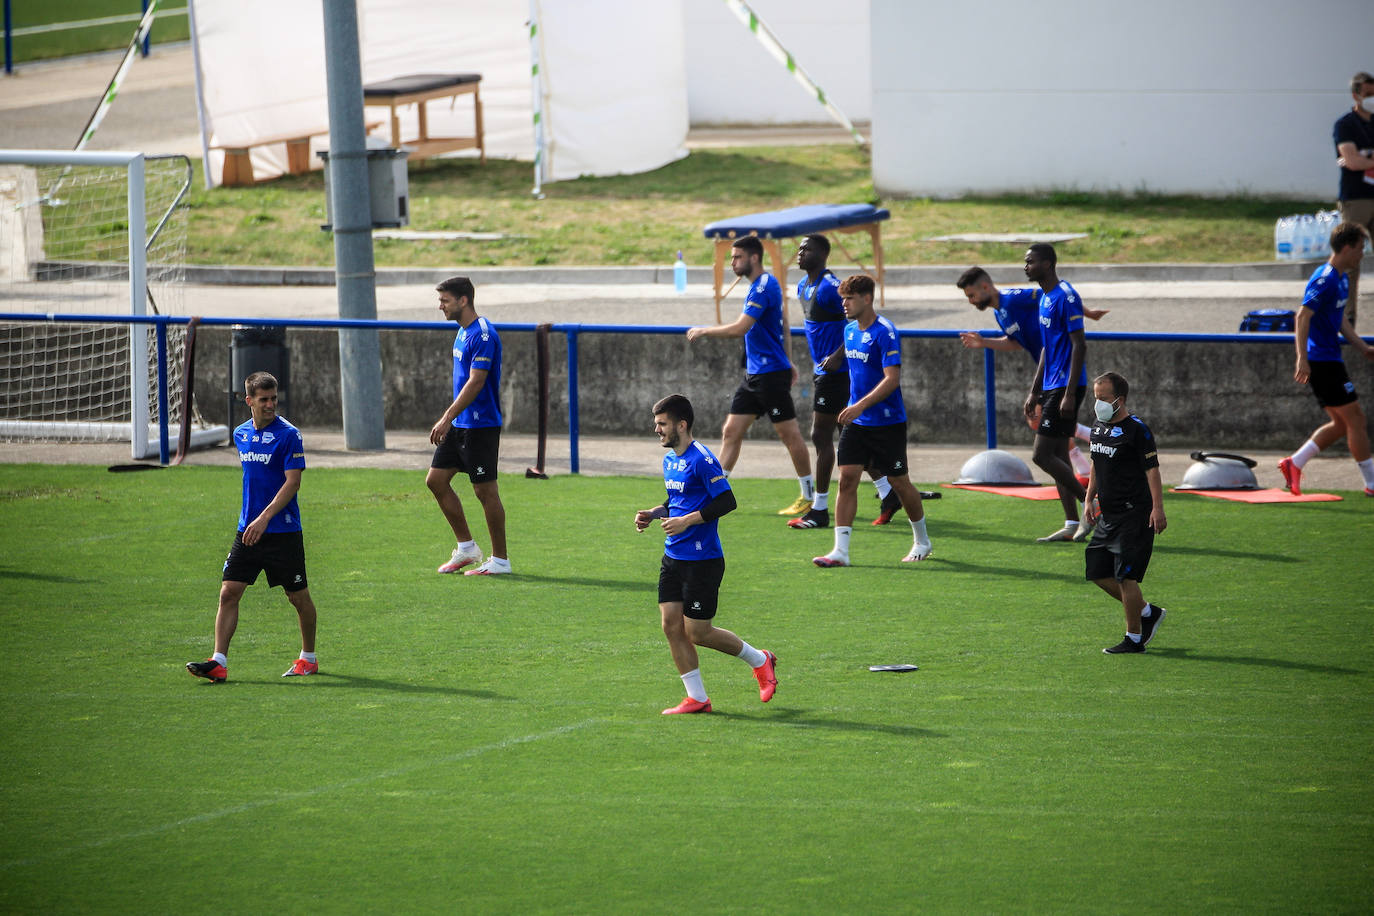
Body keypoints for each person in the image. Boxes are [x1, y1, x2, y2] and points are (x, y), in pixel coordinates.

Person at [634, 394, 778, 715]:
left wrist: (686, 521)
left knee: (698, 633)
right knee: (671, 626)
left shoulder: (702, 459)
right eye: (656, 423)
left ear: (681, 425)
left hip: (703, 561)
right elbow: (677, 500)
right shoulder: (670, 460)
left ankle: (760, 659)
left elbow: (726, 501)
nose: (656, 429)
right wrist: (655, 512)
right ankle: (697, 698)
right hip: (673, 558)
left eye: (662, 424)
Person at [187, 372, 318, 682]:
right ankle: (219, 661)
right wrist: (253, 520)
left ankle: (308, 658)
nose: (271, 404)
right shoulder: (241, 434)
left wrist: (264, 518)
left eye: (274, 398)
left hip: (282, 532)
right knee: (228, 592)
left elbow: (293, 483)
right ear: (249, 401)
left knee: (297, 597)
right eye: (264, 399)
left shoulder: (289, 435)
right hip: (247, 530)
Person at [687, 236, 815, 518]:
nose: (732, 263)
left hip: (770, 376)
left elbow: (741, 328)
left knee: (789, 435)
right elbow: (783, 326)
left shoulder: (763, 286)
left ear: (754, 258)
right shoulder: (762, 286)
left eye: (737, 258)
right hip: (756, 375)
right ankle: (715, 493)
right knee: (731, 431)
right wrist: (789, 359)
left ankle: (810, 496)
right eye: (732, 258)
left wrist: (705, 330)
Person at [813, 275, 933, 568]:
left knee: (899, 482)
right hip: (858, 423)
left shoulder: (886, 332)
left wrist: (859, 405)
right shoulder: (850, 331)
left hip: (887, 423)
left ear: (867, 299)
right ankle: (840, 551)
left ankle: (922, 541)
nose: (844, 304)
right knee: (847, 479)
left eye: (849, 298)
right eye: (842, 298)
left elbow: (892, 380)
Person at [788, 234, 902, 530]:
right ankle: (889, 493)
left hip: (836, 374)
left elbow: (857, 320)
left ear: (823, 255)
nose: (800, 253)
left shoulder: (828, 288)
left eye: (807, 249)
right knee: (852, 440)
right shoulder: (803, 286)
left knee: (820, 436)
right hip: (823, 370)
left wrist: (839, 355)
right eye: (799, 248)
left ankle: (820, 509)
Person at [956, 265, 1109, 479]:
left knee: (1043, 442)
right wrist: (983, 342)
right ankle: (1082, 474)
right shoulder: (1000, 314)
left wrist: (1088, 313)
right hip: (1048, 374)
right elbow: (1016, 343)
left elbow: (1058, 297)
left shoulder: (1014, 298)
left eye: (971, 295)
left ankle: (1085, 481)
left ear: (984, 286)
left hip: (1059, 370)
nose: (971, 301)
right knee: (1045, 430)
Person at [1278, 222, 1374, 497]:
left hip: (1331, 358)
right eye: (1359, 249)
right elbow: (1303, 315)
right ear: (1346, 248)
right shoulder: (1326, 278)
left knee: (1342, 424)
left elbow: (1339, 317)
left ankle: (1294, 463)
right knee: (1356, 419)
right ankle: (1372, 483)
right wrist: (1302, 359)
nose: (1362, 255)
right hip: (1321, 361)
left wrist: (1361, 346)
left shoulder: (1342, 278)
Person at [426, 276, 510, 575]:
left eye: (445, 301)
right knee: (435, 481)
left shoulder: (483, 335)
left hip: (481, 426)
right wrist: (452, 419)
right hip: (460, 424)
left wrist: (446, 416)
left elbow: (476, 382)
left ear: (463, 300)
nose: (440, 306)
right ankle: (466, 548)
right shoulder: (463, 332)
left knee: (485, 492)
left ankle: (500, 560)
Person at [1082, 371, 1167, 654]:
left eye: (1103, 399)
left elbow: (1152, 471)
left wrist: (1157, 508)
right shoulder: (1098, 426)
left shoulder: (1137, 430)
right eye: (1096, 398)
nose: (1098, 404)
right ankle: (1146, 612)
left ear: (1120, 399)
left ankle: (1134, 639)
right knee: (1096, 571)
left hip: (1135, 514)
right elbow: (1096, 462)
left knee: (1125, 577)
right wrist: (1088, 497)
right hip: (1109, 514)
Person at [1021, 243, 1091, 543]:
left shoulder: (1067, 296)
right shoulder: (1045, 298)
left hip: (1066, 386)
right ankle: (1072, 521)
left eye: (1031, 261)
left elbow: (1079, 344)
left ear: (1048, 264)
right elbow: (1048, 349)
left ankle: (1094, 508)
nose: (1025, 266)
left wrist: (1070, 393)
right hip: (1051, 386)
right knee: (1059, 455)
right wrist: (1034, 391)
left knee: (1041, 455)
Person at [1333, 71, 1374, 328]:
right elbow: (1351, 160)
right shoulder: (1345, 124)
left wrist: (1363, 160)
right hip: (1356, 199)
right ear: (1355, 95)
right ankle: (1347, 319)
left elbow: (1357, 161)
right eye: (1368, 94)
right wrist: (1358, 161)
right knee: (1350, 260)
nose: (1372, 98)